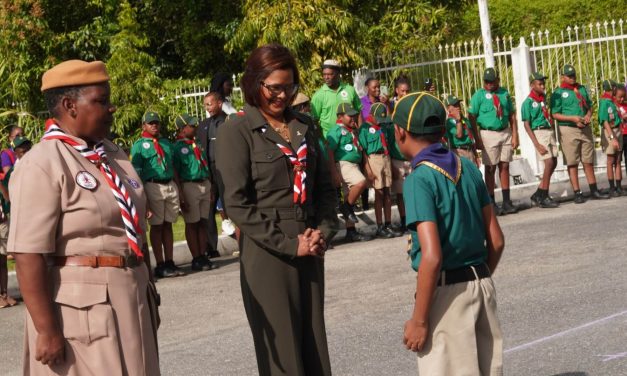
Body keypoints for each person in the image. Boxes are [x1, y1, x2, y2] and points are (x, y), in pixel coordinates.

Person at [9, 60, 160, 375]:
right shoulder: (42, 162)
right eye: (101, 101)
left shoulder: (112, 155)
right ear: (69, 106)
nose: (111, 108)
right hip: (84, 312)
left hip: (130, 295)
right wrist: (46, 330)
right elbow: (27, 253)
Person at [216, 43, 339, 376]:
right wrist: (289, 244)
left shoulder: (304, 126)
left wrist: (321, 234)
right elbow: (237, 204)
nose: (283, 95)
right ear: (255, 83)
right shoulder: (236, 131)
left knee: (314, 349)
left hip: (309, 246)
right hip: (267, 254)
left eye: (290, 87)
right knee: (283, 358)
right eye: (275, 88)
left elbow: (326, 190)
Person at [393, 92, 504, 375]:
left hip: (446, 291)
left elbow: (431, 257)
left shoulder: (419, 179)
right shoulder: (467, 167)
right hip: (481, 282)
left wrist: (418, 320)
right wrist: (477, 276)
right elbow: (497, 241)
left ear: (401, 132)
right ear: (442, 130)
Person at [131, 111, 183, 278]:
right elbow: (136, 173)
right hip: (152, 185)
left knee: (168, 224)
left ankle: (170, 261)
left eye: (156, 123)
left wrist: (179, 190)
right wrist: (142, 197)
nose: (154, 125)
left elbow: (173, 167)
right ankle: (160, 263)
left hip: (169, 185)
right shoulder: (139, 145)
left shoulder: (166, 143)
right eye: (150, 123)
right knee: (157, 225)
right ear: (144, 125)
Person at [551, 64, 609, 203]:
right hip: (569, 129)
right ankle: (577, 192)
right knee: (573, 162)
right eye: (569, 76)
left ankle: (593, 189)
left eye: (574, 75)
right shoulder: (558, 93)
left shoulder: (581, 89)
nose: (572, 78)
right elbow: (555, 114)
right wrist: (572, 119)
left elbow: (589, 106)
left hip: (584, 127)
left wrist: (588, 115)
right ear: (563, 77)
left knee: (588, 160)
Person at [468, 67, 519, 215]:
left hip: (504, 132)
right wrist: (477, 138)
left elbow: (511, 115)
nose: (489, 84)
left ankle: (506, 201)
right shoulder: (479, 95)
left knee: (505, 165)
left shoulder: (504, 93)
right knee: (490, 168)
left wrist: (515, 135)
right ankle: (491, 201)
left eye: (492, 81)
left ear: (497, 80)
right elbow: (472, 117)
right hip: (488, 133)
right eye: (486, 81)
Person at [173, 113, 216, 271]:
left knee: (203, 222)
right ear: (182, 129)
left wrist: (210, 186)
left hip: (204, 183)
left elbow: (204, 165)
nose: (195, 127)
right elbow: (176, 172)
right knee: (192, 223)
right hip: (189, 185)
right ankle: (196, 257)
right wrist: (181, 193)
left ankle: (203, 254)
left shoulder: (197, 144)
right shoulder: (177, 148)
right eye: (191, 125)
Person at [326, 102, 371, 242]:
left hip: (353, 165)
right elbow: (329, 151)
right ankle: (346, 207)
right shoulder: (337, 131)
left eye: (355, 115)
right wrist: (334, 172)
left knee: (348, 194)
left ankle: (351, 231)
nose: (353, 118)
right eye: (350, 116)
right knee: (360, 182)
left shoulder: (353, 130)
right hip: (343, 164)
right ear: (340, 116)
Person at [360, 103, 403, 238]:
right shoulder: (365, 129)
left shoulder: (382, 127)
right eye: (378, 118)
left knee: (387, 193)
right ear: (371, 115)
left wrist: (390, 164)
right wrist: (368, 169)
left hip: (386, 158)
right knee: (379, 193)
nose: (380, 121)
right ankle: (379, 226)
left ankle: (388, 224)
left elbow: (388, 144)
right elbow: (364, 152)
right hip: (374, 159)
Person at [522, 72, 560, 208]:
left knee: (554, 161)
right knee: (548, 162)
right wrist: (536, 144)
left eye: (543, 83)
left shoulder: (543, 98)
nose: (543, 86)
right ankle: (544, 195)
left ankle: (539, 193)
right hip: (538, 131)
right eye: (540, 84)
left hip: (548, 130)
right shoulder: (528, 102)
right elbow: (526, 124)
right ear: (532, 85)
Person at [0, 136, 30, 309]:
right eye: (22, 150)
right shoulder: (12, 172)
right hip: (8, 215)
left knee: (3, 259)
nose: (26, 153)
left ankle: (4, 293)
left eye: (28, 149)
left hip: (7, 216)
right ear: (16, 152)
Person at [198, 92, 229, 258]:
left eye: (210, 104)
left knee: (230, 205)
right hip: (209, 172)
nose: (207, 108)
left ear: (219, 103)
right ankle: (211, 247)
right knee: (208, 210)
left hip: (226, 170)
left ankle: (244, 241)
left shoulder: (229, 121)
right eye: (205, 105)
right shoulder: (203, 125)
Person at [310, 59, 362, 136]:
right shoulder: (318, 95)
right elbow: (314, 120)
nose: (326, 77)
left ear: (338, 74)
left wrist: (361, 132)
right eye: (324, 74)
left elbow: (358, 111)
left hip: (351, 137)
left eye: (330, 74)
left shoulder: (349, 89)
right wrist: (322, 141)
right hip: (330, 140)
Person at [599, 79, 623, 196]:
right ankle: (612, 187)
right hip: (610, 132)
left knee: (618, 159)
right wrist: (612, 137)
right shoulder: (604, 102)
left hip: (618, 130)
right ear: (612, 88)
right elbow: (604, 121)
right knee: (610, 160)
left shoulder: (613, 101)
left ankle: (619, 187)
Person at [445, 95, 479, 165]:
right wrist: (458, 120)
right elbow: (459, 135)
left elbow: (471, 138)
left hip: (470, 151)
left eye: (458, 104)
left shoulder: (465, 120)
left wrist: (476, 155)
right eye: (455, 105)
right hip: (459, 152)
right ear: (448, 108)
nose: (458, 107)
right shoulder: (450, 122)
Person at [616, 84, 627, 178]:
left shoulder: (625, 105)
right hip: (619, 135)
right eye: (620, 97)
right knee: (618, 159)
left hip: (626, 134)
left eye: (624, 97)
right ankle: (617, 183)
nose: (622, 99)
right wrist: (622, 117)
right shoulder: (613, 106)